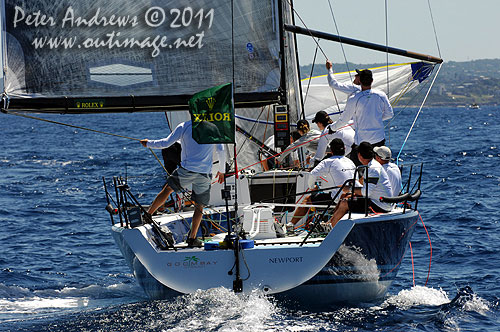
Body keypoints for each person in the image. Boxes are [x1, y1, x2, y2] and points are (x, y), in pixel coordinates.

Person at [140, 120, 226, 247]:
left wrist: (148, 143)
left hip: (187, 170)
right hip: (204, 174)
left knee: (168, 189)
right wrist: (222, 171)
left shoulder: (184, 126)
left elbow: (166, 143)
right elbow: (221, 150)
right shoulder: (213, 128)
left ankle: (148, 215)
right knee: (199, 207)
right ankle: (192, 239)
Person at [326, 63, 393, 165]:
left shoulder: (354, 98)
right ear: (372, 81)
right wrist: (375, 118)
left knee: (355, 166)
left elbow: (344, 119)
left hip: (362, 141)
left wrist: (332, 128)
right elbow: (389, 114)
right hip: (379, 139)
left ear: (360, 81)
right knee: (377, 166)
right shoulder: (381, 95)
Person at [289, 138, 356, 227]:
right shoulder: (350, 162)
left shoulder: (327, 162)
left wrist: (312, 187)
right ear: (344, 149)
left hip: (337, 198)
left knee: (308, 199)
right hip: (352, 195)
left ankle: (290, 225)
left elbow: (313, 174)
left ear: (331, 150)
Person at [328, 142, 393, 228]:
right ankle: (329, 223)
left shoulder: (372, 169)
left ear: (360, 156)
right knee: (345, 197)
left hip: (380, 205)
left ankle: (331, 231)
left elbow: (367, 193)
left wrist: (349, 189)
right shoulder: (372, 165)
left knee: (344, 203)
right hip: (378, 201)